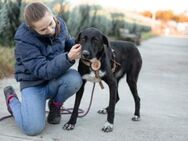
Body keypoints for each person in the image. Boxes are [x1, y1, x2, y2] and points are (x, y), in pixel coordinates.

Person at [3, 2, 82, 136]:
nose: (50, 30)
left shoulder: (60, 24)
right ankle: (12, 100)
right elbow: (42, 70)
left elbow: (67, 42)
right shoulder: (24, 40)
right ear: (32, 29)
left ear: (52, 16)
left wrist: (83, 46)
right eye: (43, 29)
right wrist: (68, 58)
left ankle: (55, 105)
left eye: (51, 24)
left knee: (74, 79)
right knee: (32, 128)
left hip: (54, 79)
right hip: (33, 85)